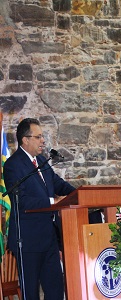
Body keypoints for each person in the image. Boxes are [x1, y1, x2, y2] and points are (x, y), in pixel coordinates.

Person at [3, 118, 76, 300]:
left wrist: (78, 194)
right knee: (31, 294)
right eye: (39, 137)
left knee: (55, 292)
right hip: (27, 241)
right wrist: (53, 201)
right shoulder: (13, 165)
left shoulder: (42, 161)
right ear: (25, 140)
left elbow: (58, 184)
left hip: (49, 239)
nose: (43, 140)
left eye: (42, 136)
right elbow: (23, 201)